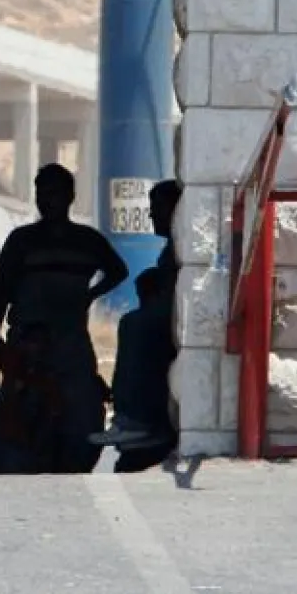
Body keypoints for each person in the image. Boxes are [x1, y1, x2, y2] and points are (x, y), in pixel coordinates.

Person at [0, 163, 128, 474]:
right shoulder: (22, 241)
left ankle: (70, 472)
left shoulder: (87, 240)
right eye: (42, 193)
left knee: (80, 414)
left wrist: (91, 294)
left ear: (69, 197)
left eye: (55, 192)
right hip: (28, 343)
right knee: (20, 416)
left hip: (72, 344)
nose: (47, 200)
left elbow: (118, 270)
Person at [94, 180, 183, 467]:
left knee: (135, 325)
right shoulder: (171, 249)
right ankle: (128, 417)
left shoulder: (186, 245)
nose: (151, 216)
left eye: (157, 209)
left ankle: (137, 417)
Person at [0, 323, 63, 474]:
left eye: (39, 342)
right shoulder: (15, 363)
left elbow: (52, 418)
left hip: (21, 447)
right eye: (31, 341)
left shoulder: (48, 381)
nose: (34, 347)